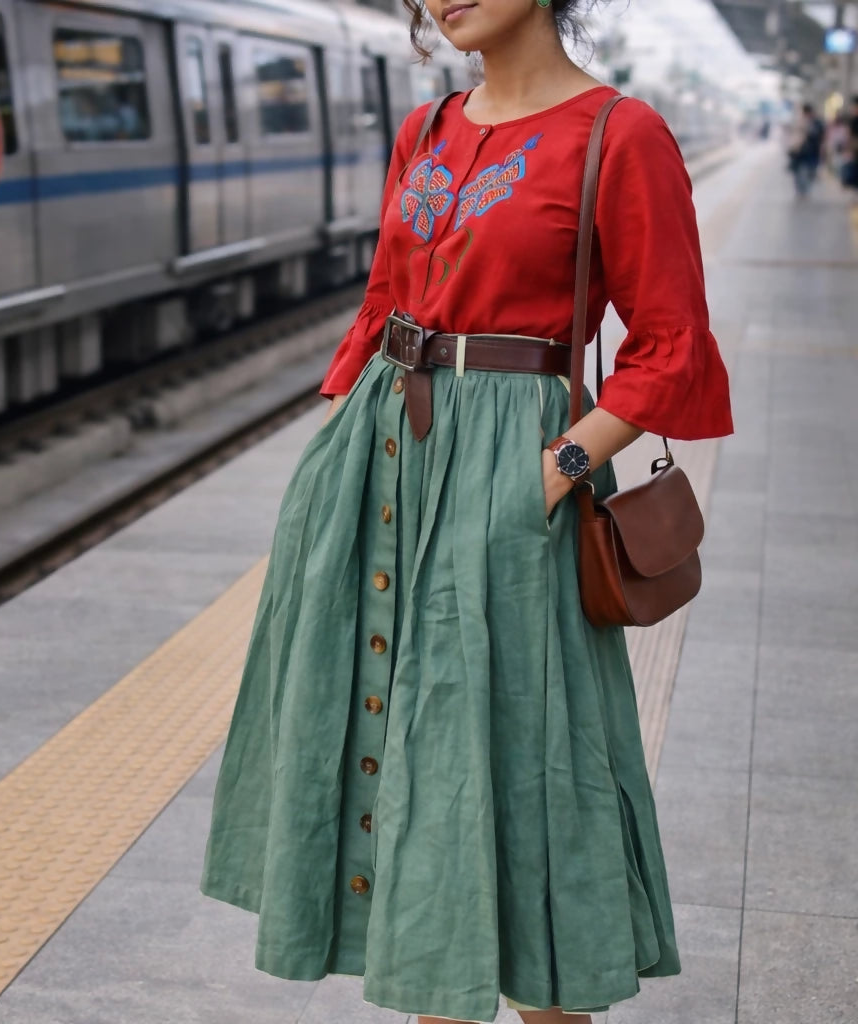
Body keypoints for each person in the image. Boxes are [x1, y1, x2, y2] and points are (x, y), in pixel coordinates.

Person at [201, 1, 733, 1022]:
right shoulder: (428, 129)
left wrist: (552, 471)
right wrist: (333, 460)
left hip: (512, 472)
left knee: (531, 760)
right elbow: (382, 301)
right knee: (406, 752)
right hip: (381, 463)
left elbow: (671, 343)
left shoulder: (620, 134)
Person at [787, 102, 825, 196]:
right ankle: (801, 190)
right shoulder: (799, 121)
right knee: (799, 172)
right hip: (799, 151)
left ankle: (804, 189)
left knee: (809, 171)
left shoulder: (816, 122)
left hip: (810, 152)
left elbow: (821, 136)